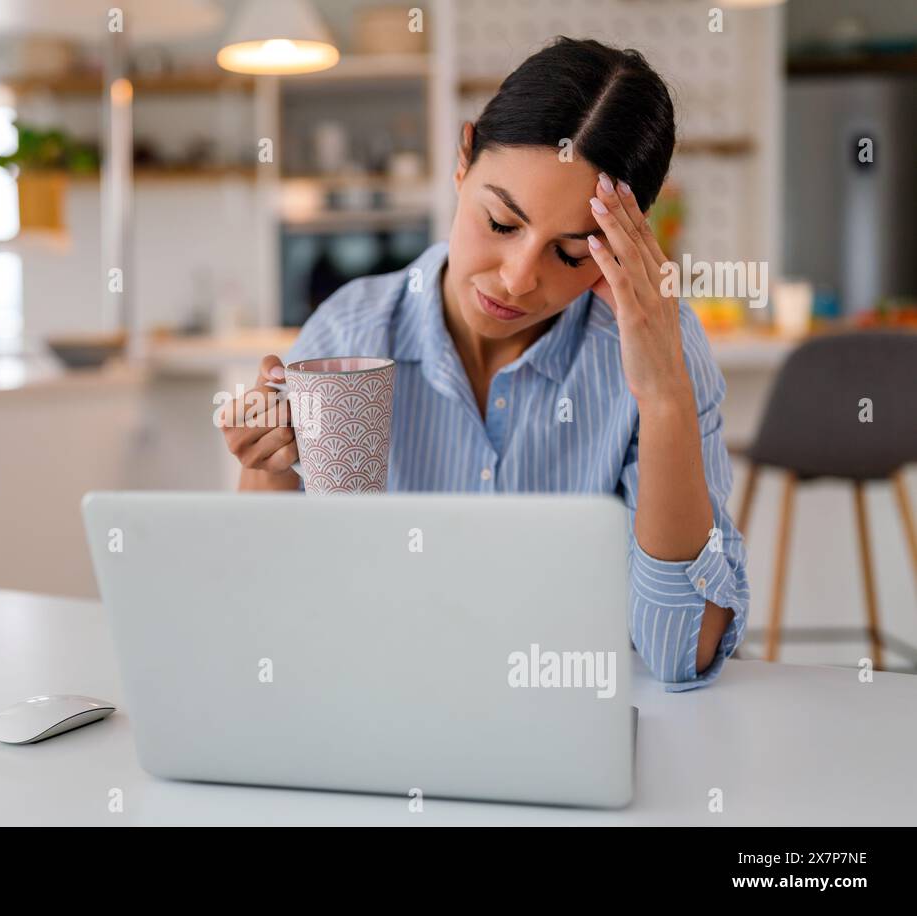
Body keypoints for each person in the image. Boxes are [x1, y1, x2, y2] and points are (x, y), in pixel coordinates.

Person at [218, 37, 749, 691]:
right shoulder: (349, 334)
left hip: (571, 723)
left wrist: (663, 394)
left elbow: (681, 653)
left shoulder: (654, 348)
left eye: (571, 254)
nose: (518, 280)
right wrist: (268, 467)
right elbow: (268, 615)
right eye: (500, 223)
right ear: (463, 160)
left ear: (629, 242)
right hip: (382, 709)